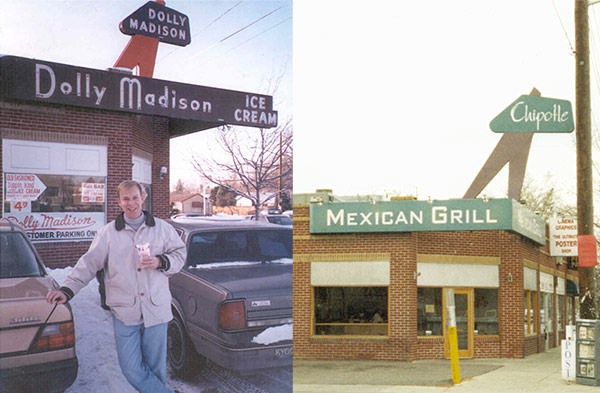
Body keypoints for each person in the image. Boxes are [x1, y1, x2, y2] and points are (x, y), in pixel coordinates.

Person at [47, 180, 186, 393]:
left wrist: (161, 262)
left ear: (143, 197)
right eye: (126, 199)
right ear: (119, 202)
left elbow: (179, 254)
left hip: (155, 309)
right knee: (131, 369)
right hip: (124, 311)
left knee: (155, 370)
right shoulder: (108, 233)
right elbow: (88, 265)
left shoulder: (162, 229)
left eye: (135, 198)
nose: (131, 203)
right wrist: (67, 289)